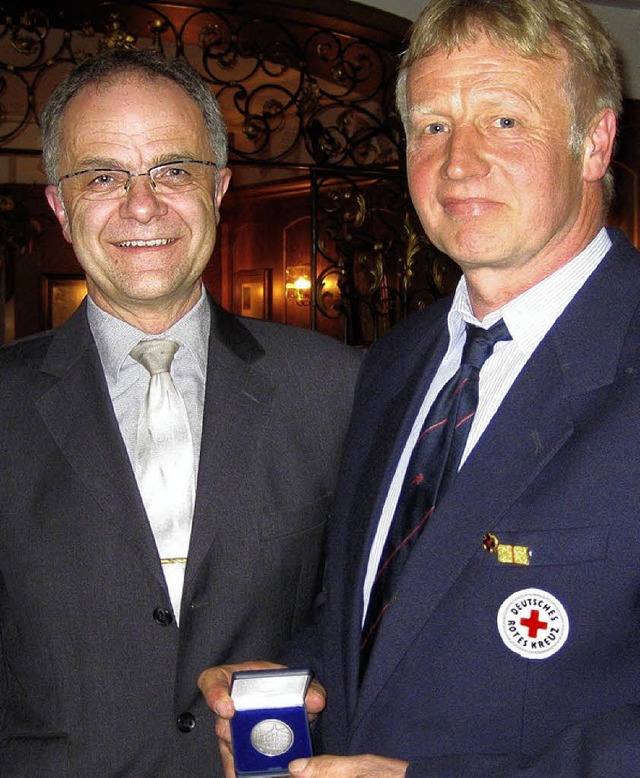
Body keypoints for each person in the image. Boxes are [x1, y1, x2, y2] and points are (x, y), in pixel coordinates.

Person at [199, 0, 640, 774]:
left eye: (504, 121)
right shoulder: (395, 362)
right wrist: (300, 693)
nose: (458, 162)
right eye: (432, 126)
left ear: (594, 142)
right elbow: (376, 611)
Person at [0, 49, 361, 777]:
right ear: (60, 207)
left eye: (173, 169)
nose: (142, 204)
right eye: (103, 176)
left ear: (219, 189)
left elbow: (366, 613)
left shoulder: (339, 387)